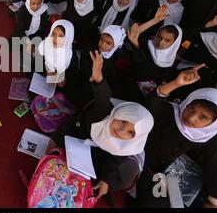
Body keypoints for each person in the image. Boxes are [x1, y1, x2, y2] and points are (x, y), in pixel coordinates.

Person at [52, 50, 154, 200]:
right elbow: (103, 98)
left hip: (93, 155)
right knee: (54, 150)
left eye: (131, 132)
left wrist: (106, 181)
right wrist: (98, 78)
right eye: (123, 121)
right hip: (77, 133)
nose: (122, 129)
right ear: (117, 114)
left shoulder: (127, 146)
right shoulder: (103, 113)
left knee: (98, 180)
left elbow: (114, 160)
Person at [137, 67, 217, 208]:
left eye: (203, 117)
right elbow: (153, 102)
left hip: (167, 173)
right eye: (191, 108)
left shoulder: (206, 136)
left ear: (214, 124)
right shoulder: (171, 112)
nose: (192, 118)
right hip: (139, 158)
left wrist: (215, 200)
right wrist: (176, 83)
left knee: (176, 204)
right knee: (153, 202)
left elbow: (211, 165)